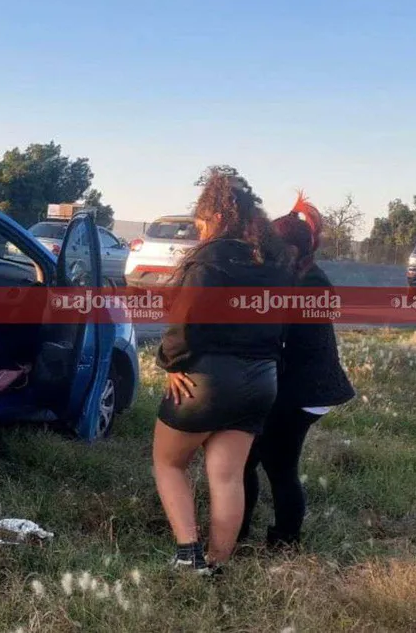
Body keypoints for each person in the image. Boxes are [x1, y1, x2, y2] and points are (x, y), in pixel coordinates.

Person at [153, 165, 292, 575]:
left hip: (206, 378)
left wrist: (170, 363)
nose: (197, 230)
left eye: (199, 222)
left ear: (213, 217)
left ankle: (187, 553)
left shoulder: (210, 260)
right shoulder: (274, 262)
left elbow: (185, 319)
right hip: (262, 379)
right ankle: (216, 564)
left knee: (169, 463)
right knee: (227, 478)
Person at [240, 194, 355, 549]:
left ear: (291, 248)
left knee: (269, 463)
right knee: (257, 460)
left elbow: (279, 335)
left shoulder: (308, 284)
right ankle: (264, 535)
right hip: (306, 388)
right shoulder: (302, 275)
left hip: (306, 390)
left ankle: (278, 539)